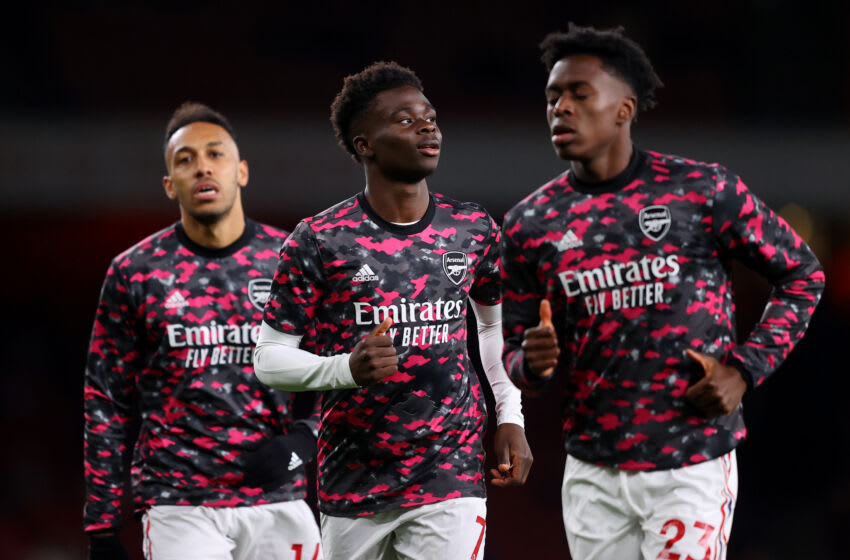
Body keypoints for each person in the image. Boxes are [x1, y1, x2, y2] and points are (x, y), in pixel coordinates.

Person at [500, 24, 825, 560]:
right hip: (591, 470)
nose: (561, 108)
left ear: (625, 108)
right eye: (553, 97)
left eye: (580, 94)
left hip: (689, 457)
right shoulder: (529, 224)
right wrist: (529, 366)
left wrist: (745, 370)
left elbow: (802, 275)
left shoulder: (702, 190)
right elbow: (510, 348)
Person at [253, 61, 532, 560]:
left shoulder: (473, 230)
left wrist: (510, 416)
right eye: (404, 120)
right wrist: (344, 370)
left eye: (429, 116)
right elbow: (269, 358)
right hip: (352, 478)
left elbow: (494, 330)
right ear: (364, 143)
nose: (427, 126)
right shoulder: (320, 239)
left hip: (450, 473)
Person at [83, 102, 323, 560]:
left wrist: (303, 440)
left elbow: (339, 370)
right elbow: (105, 401)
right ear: (170, 184)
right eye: (185, 159)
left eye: (215, 154)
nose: (202, 167)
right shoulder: (135, 272)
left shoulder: (292, 261)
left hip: (278, 498)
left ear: (242, 172)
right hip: (178, 505)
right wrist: (101, 525)